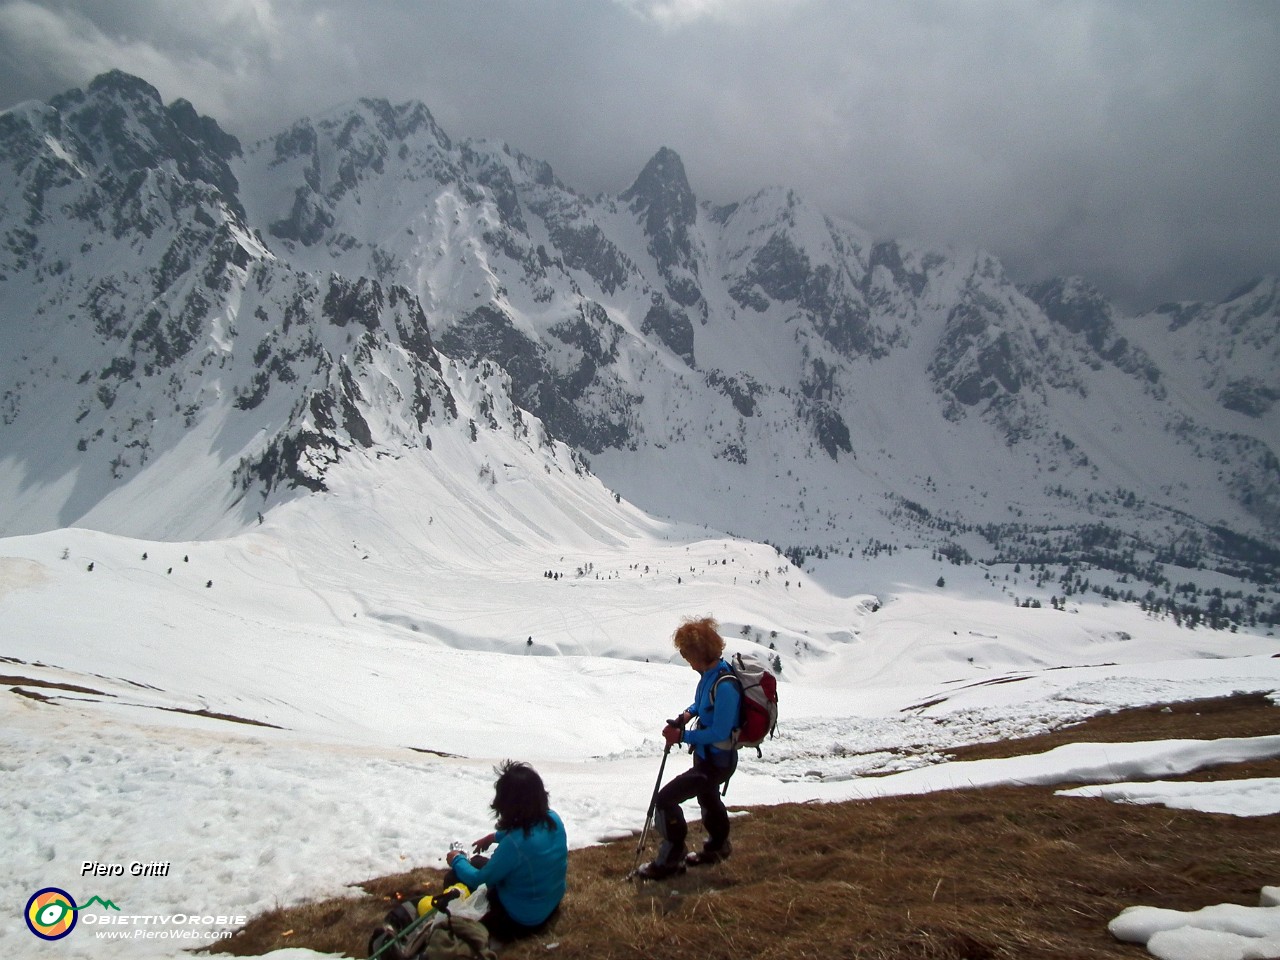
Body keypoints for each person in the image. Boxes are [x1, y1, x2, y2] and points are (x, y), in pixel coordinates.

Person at [637, 616, 741, 880]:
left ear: (699, 652)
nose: (686, 659)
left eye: (687, 653)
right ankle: (718, 846)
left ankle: (672, 857)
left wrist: (682, 735)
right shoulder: (711, 674)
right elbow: (701, 705)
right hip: (709, 758)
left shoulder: (725, 685)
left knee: (665, 799)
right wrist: (685, 716)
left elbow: (720, 731)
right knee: (707, 796)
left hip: (718, 761)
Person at [444, 760, 567, 941]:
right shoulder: (552, 818)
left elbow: (479, 879)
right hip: (550, 905)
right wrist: (493, 837)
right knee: (477, 861)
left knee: (455, 876)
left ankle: (457, 909)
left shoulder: (515, 844)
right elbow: (526, 830)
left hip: (521, 921)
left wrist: (456, 859)